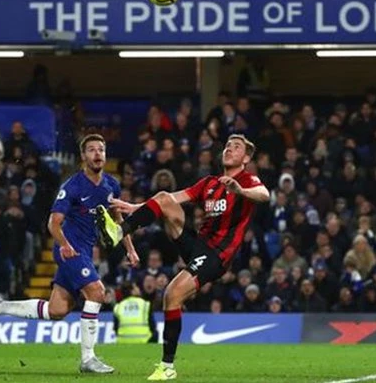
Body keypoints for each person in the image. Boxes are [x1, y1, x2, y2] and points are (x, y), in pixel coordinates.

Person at [96, 133, 269, 380]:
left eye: (237, 147)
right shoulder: (209, 182)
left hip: (217, 255)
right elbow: (171, 200)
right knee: (165, 197)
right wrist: (136, 208)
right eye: (228, 145)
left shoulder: (247, 179)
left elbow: (264, 195)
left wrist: (241, 190)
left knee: (172, 294)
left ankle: (167, 367)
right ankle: (118, 233)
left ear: (246, 157)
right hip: (197, 245)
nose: (229, 149)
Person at [0, 134, 139, 374]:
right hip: (69, 249)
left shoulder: (111, 185)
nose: (97, 154)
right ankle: (88, 359)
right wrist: (64, 244)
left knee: (57, 311)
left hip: (83, 250)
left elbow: (118, 221)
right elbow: (53, 223)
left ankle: (0, 307)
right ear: (83, 156)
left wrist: (131, 249)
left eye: (101, 150)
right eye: (91, 150)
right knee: (97, 292)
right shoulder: (72, 186)